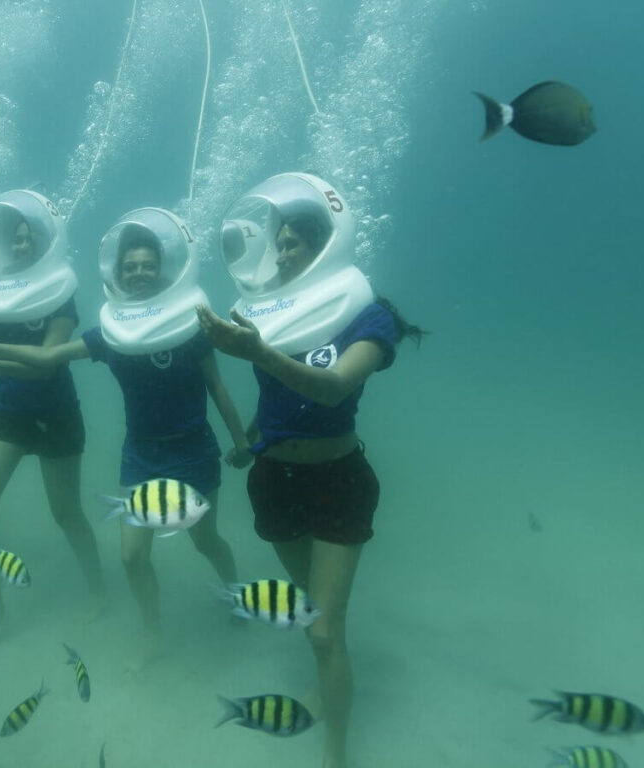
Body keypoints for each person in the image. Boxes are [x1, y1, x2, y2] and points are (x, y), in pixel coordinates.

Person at [196, 173, 424, 768]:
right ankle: (326, 686)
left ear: (327, 245)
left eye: (300, 240)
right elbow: (276, 403)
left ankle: (335, 754)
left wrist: (258, 352)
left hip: (338, 481)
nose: (288, 250)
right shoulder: (263, 315)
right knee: (308, 610)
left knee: (324, 627)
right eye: (284, 242)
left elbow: (333, 389)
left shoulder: (369, 319)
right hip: (272, 478)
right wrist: (247, 441)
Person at [0, 208, 248, 671]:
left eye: (147, 265)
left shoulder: (191, 323)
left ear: (163, 269)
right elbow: (51, 357)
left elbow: (218, 387)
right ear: (117, 274)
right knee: (130, 556)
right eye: (130, 267)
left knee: (206, 542)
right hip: (140, 454)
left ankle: (237, 594)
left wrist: (241, 441)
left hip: (192, 449)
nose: (139, 273)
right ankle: (154, 634)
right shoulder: (112, 334)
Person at [0, 189, 105, 652]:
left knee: (66, 514)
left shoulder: (61, 298)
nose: (25, 247)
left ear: (47, 242)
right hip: (8, 410)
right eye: (18, 240)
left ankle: (98, 589)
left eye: (32, 239)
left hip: (56, 411)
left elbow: (47, 362)